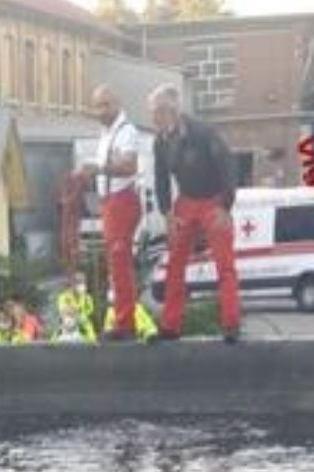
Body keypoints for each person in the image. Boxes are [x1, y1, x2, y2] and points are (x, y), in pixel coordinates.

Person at [149, 84, 241, 343]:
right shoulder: (160, 141)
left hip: (214, 200)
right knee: (175, 263)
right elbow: (161, 180)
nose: (153, 118)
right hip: (186, 201)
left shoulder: (204, 132)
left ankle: (231, 323)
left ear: (173, 110)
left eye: (158, 112)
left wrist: (225, 205)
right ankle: (171, 325)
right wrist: (167, 213)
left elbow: (228, 166)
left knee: (224, 264)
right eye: (152, 112)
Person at [76, 85, 141, 341]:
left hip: (121, 201)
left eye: (104, 105)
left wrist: (98, 169)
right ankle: (123, 320)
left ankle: (125, 324)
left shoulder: (127, 131)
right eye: (96, 106)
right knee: (116, 264)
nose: (99, 112)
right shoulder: (106, 132)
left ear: (116, 104)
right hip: (110, 202)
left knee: (119, 262)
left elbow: (129, 165)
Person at [56, 272, 96, 340]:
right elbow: (63, 311)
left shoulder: (87, 298)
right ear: (73, 285)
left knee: (91, 342)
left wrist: (77, 314)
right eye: (79, 283)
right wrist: (74, 314)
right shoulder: (64, 297)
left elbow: (89, 312)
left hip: (84, 328)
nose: (82, 286)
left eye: (83, 283)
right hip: (67, 327)